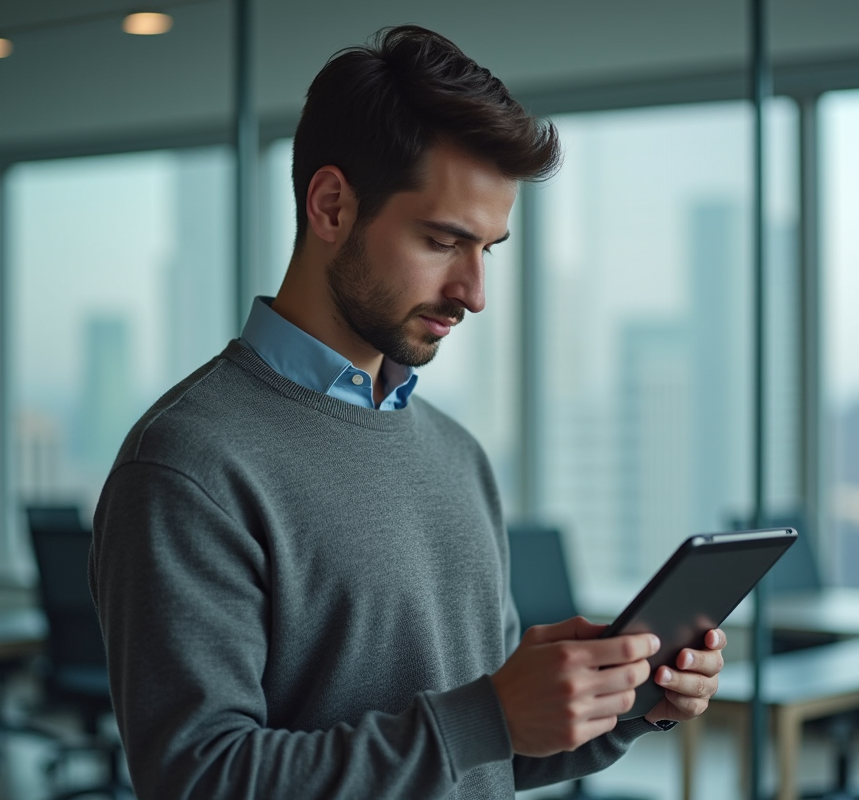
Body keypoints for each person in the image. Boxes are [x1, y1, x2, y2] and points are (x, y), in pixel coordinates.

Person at [89, 25, 726, 800]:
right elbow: (202, 780)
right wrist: (488, 716)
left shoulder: (456, 454)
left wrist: (623, 705)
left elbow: (488, 755)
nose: (475, 292)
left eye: (488, 249)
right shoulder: (190, 465)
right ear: (331, 206)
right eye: (443, 241)